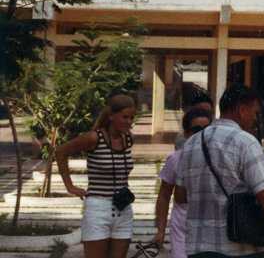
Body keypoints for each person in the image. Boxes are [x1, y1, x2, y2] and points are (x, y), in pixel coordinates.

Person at [175, 84, 264, 258]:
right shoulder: (245, 142)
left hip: (198, 247)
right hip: (239, 248)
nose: (255, 120)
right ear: (242, 110)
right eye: (254, 113)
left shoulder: (190, 144)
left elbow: (180, 196)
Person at [55, 94, 137, 258]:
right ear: (112, 116)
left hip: (123, 208)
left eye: (132, 117)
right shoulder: (94, 138)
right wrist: (69, 186)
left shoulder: (128, 139)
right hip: (98, 209)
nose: (129, 122)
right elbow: (61, 152)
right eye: (125, 117)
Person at [154, 108, 213, 258]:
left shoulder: (220, 157)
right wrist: (160, 230)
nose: (201, 134)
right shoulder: (176, 159)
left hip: (212, 225)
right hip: (183, 227)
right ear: (186, 133)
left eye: (206, 129)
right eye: (196, 129)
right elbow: (164, 196)